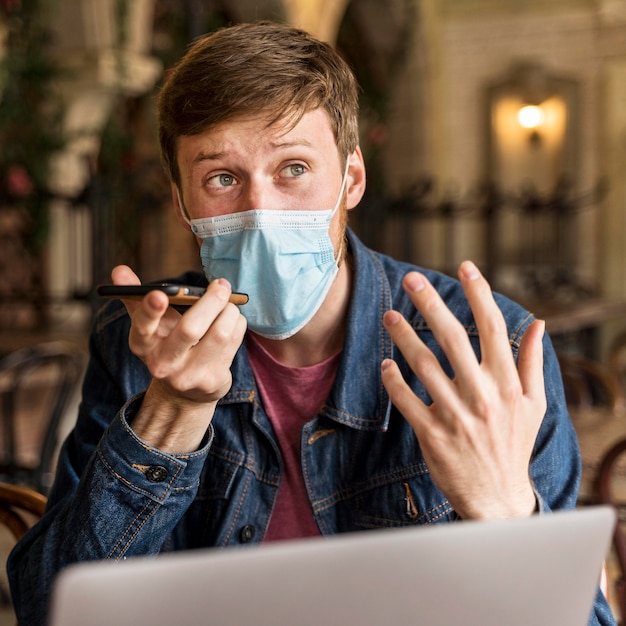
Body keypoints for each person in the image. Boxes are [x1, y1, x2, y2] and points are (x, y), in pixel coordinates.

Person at [7, 20, 615, 625]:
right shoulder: (143, 345)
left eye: (294, 168)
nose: (260, 210)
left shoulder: (488, 352)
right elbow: (50, 608)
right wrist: (171, 413)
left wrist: (505, 516)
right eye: (222, 178)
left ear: (351, 179)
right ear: (182, 203)